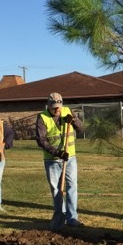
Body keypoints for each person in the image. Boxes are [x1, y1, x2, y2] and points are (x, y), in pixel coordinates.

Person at [36, 92, 84, 230]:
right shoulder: (42, 117)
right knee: (56, 189)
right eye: (54, 107)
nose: (57, 109)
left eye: (59, 106)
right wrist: (57, 153)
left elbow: (81, 129)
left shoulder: (67, 112)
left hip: (70, 158)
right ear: (48, 105)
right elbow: (41, 140)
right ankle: (59, 214)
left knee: (72, 186)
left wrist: (74, 120)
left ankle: (72, 217)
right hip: (52, 160)